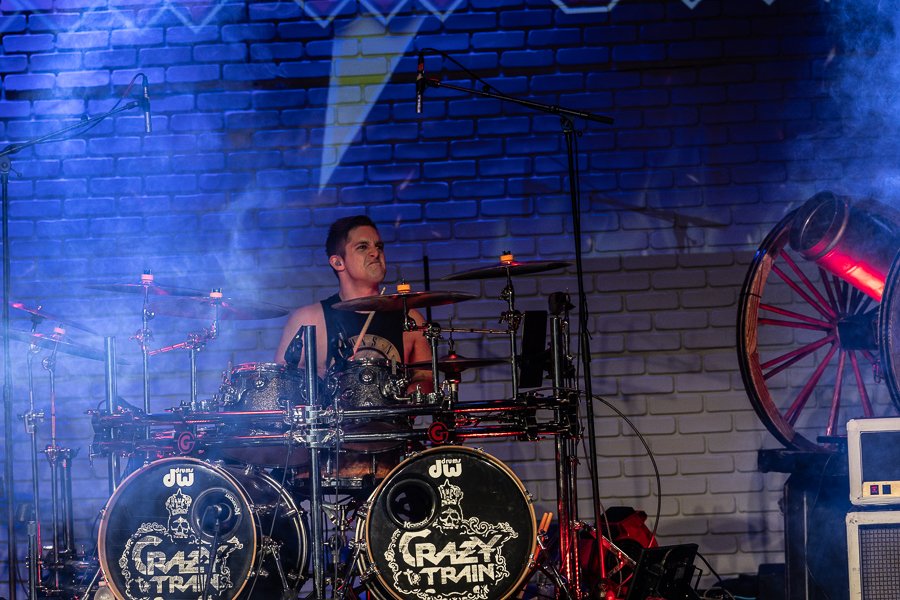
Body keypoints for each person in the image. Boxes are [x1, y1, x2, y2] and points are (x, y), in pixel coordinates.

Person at [275, 214, 433, 395]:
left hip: (394, 414)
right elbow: (282, 382)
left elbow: (426, 379)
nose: (375, 253)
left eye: (379, 246)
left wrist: (414, 391)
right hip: (334, 414)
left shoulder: (410, 319)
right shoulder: (309, 319)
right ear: (338, 262)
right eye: (363, 247)